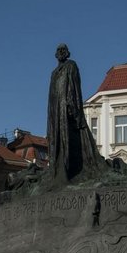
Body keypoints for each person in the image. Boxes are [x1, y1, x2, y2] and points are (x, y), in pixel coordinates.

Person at [46, 44, 105, 186]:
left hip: (66, 107)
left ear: (67, 53)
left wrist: (73, 106)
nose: (61, 53)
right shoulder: (54, 73)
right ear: (56, 54)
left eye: (63, 50)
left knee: (68, 137)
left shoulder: (71, 66)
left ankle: (68, 169)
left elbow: (74, 87)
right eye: (58, 51)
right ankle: (58, 170)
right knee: (57, 138)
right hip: (55, 109)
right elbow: (51, 95)